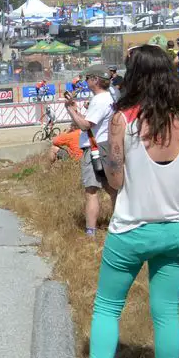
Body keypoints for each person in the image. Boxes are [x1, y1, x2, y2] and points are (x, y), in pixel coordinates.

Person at [53, 45, 179, 358]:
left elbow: (115, 177)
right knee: (166, 312)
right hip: (178, 229)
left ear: (135, 75)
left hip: (131, 228)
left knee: (108, 307)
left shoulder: (122, 119)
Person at [65, 64, 117, 236]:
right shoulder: (110, 97)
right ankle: (120, 226)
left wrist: (71, 110)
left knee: (91, 191)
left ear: (95, 80)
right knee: (113, 188)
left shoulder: (99, 99)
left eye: (87, 77)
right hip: (108, 145)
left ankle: (91, 232)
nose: (85, 80)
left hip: (95, 148)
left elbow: (85, 125)